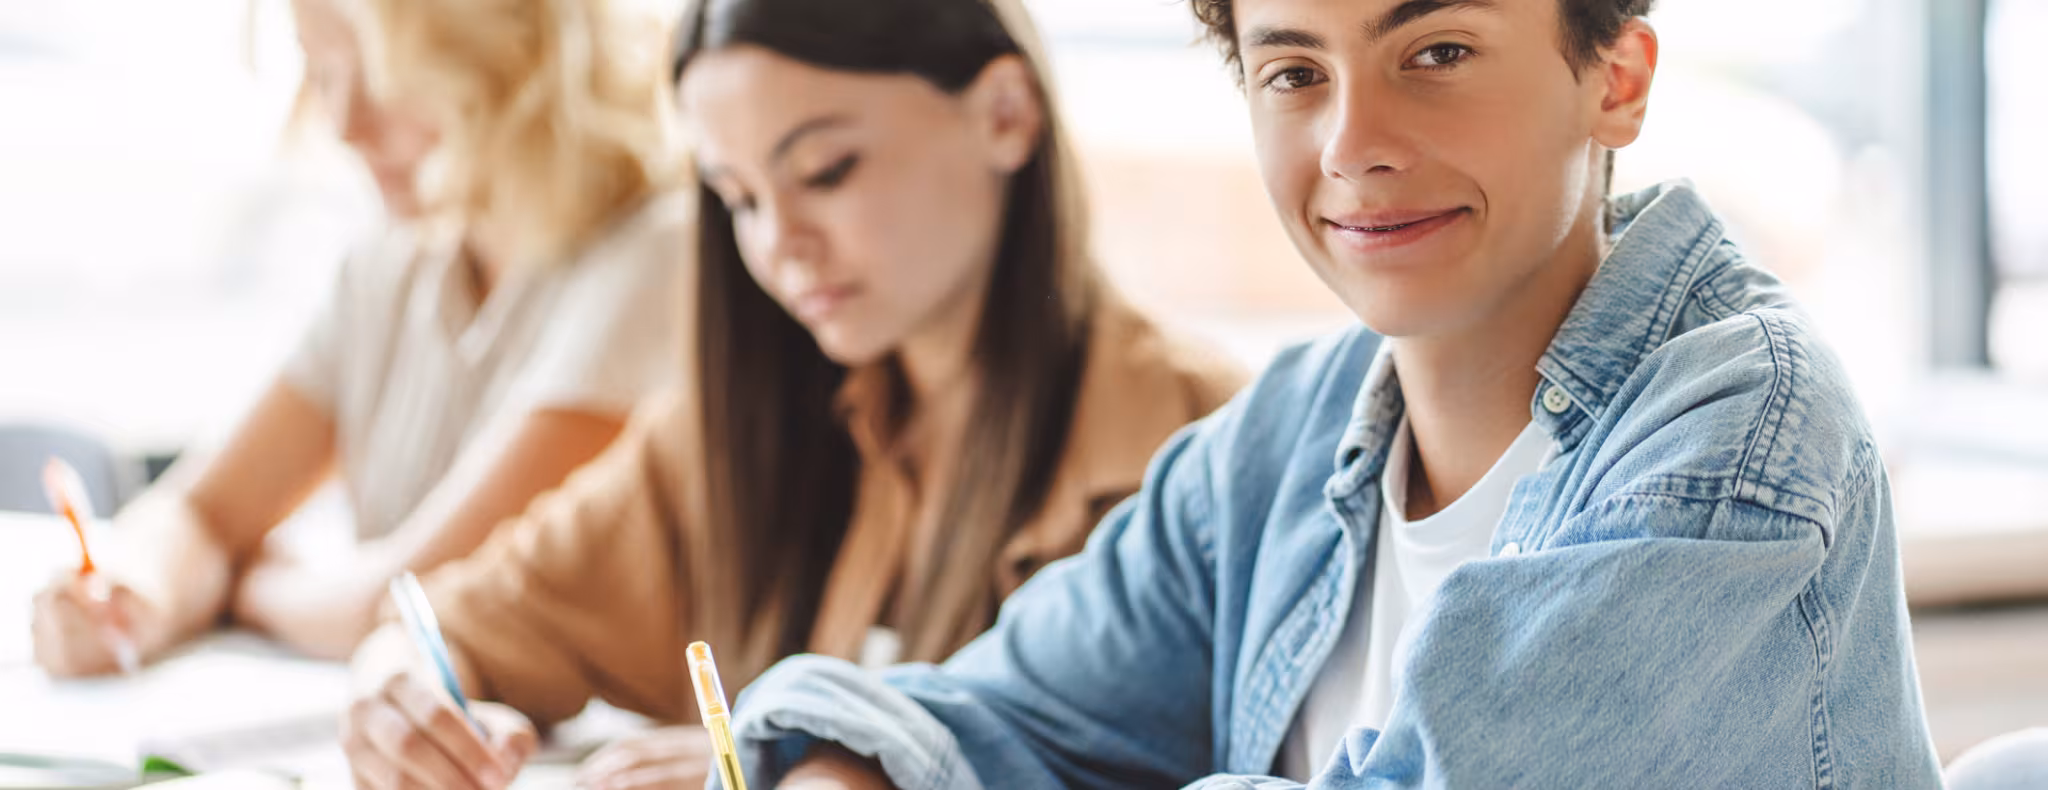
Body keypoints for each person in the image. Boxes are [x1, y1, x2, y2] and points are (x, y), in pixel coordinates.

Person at [722, 0, 1947, 787]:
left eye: (1438, 53)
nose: (1352, 143)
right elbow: (997, 716)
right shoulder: (1283, 437)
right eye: (1294, 73)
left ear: (1615, 77)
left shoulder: (1734, 436)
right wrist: (842, 769)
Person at [333, 0, 1246, 788]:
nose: (780, 245)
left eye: (825, 172)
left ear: (1005, 114)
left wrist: (786, 765)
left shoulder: (1206, 454)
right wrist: (398, 690)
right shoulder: (735, 428)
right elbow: (462, 622)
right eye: (739, 198)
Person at [29, 0, 687, 671]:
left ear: (511, 59)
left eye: (380, 74)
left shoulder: (660, 252)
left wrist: (250, 585)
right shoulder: (398, 256)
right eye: (321, 76)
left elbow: (412, 599)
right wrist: (135, 592)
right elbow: (201, 511)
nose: (343, 125)